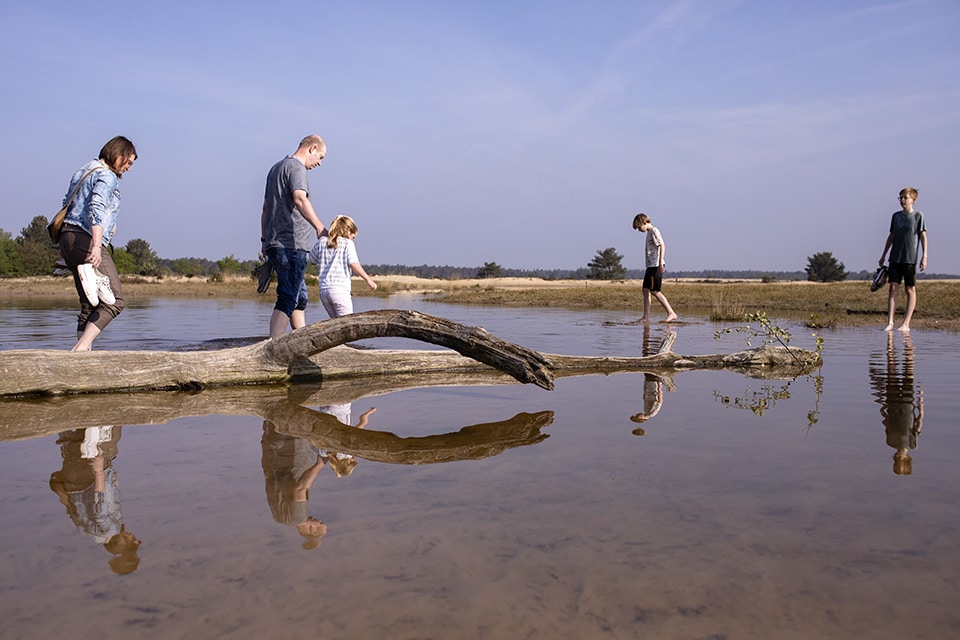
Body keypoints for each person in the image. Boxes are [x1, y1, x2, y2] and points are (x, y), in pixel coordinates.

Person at [59, 136, 137, 351]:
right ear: (118, 155)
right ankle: (81, 349)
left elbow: (67, 203)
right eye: (128, 162)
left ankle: (82, 360)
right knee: (115, 302)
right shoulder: (106, 175)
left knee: (89, 304)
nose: (129, 168)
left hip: (68, 237)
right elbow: (97, 208)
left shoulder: (84, 169)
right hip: (86, 238)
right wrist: (95, 246)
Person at [48, 426, 142, 574]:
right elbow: (67, 504)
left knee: (112, 428)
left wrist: (99, 472)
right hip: (73, 478)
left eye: (132, 541)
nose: (133, 537)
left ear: (121, 545)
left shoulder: (110, 529)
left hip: (90, 475)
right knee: (78, 435)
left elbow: (100, 507)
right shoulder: (88, 532)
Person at [261, 135, 329, 339]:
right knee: (288, 297)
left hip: (276, 242)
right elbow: (299, 199)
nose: (319, 163)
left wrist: (265, 241)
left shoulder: (275, 168)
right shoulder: (296, 168)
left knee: (299, 298)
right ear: (312, 148)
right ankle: (272, 347)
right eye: (321, 157)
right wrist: (319, 227)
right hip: (291, 245)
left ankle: (300, 341)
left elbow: (265, 208)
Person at [878, 187, 928, 332]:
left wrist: (924, 256)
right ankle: (890, 322)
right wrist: (883, 255)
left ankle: (906, 323)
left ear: (914, 200)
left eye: (905, 198)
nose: (902, 201)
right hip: (895, 257)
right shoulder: (895, 216)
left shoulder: (918, 216)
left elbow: (923, 236)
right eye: (900, 198)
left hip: (910, 258)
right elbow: (891, 236)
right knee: (893, 287)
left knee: (910, 289)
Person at [308, 215, 377, 318]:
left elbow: (312, 259)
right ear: (348, 230)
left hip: (324, 292)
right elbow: (353, 263)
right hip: (340, 291)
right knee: (347, 325)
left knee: (336, 325)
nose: (352, 240)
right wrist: (368, 279)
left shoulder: (322, 242)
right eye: (353, 237)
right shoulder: (347, 244)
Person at [632, 213, 678, 322]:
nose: (639, 230)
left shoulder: (654, 231)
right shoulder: (649, 233)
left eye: (639, 227)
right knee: (645, 290)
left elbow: (662, 245)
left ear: (644, 222)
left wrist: (661, 262)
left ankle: (671, 313)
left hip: (656, 265)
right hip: (650, 265)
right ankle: (646, 317)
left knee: (655, 291)